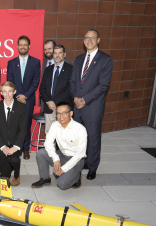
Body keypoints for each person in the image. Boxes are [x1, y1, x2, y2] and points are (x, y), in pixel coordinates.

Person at [70, 29, 113, 180]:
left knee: (93, 138)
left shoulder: (105, 60)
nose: (89, 40)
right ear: (83, 41)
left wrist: (85, 99)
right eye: (86, 38)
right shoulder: (79, 59)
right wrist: (75, 97)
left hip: (93, 106)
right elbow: (73, 81)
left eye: (92, 38)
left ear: (98, 40)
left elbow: (103, 85)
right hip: (77, 105)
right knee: (79, 138)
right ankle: (83, 162)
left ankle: (92, 166)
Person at [32, 102, 86, 190]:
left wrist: (63, 169)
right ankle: (45, 178)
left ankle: (76, 176)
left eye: (64, 113)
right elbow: (48, 143)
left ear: (71, 113)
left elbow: (79, 155)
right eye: (58, 113)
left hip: (76, 160)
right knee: (41, 153)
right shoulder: (55, 125)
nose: (61, 116)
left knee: (62, 184)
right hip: (61, 156)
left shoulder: (80, 129)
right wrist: (55, 158)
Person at [7, 35, 41, 160]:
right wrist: (17, 95)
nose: (22, 47)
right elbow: (9, 81)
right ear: (17, 46)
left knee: (26, 125)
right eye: (20, 44)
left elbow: (35, 81)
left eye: (25, 45)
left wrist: (25, 95)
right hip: (14, 99)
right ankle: (17, 148)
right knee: (15, 125)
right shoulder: (11, 63)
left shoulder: (35, 62)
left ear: (29, 46)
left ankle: (26, 149)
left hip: (28, 99)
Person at [0, 82, 27, 186]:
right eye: (5, 92)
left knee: (14, 159)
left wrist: (16, 147)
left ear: (14, 92)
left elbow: (23, 129)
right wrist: (2, 146)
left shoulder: (21, 107)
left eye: (10, 91)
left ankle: (17, 174)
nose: (7, 95)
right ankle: (6, 173)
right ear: (1, 93)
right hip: (1, 143)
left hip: (15, 142)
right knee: (3, 170)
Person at [39, 45, 73, 134]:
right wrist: (49, 102)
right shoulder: (48, 69)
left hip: (63, 107)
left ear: (64, 54)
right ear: (53, 55)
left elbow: (70, 89)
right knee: (50, 134)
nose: (57, 55)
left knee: (64, 133)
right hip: (49, 107)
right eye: (55, 53)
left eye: (60, 53)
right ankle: (51, 149)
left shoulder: (70, 69)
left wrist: (55, 102)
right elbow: (42, 88)